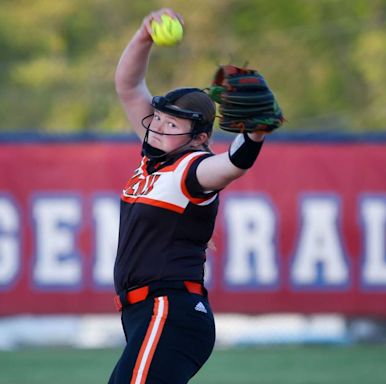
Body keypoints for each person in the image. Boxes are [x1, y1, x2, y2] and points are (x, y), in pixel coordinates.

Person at [109, 8, 269, 384]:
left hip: (170, 310)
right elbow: (128, 87)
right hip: (143, 315)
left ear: (199, 138)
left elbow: (234, 164)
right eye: (159, 117)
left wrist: (256, 131)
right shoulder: (155, 159)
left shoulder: (192, 168)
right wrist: (144, 35)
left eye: (173, 123)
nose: (160, 125)